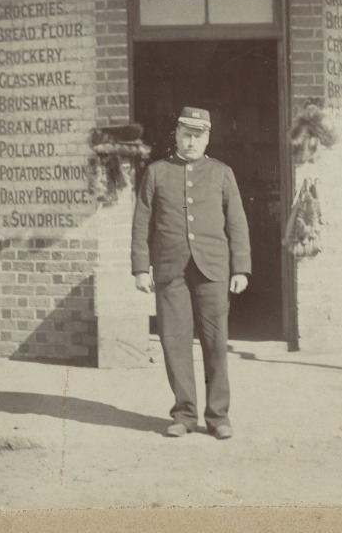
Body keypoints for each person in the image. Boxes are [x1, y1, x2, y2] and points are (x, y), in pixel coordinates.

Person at [131, 106, 251, 439]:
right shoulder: (156, 173)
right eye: (186, 135)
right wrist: (141, 268)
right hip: (170, 272)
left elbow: (237, 223)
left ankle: (218, 417)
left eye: (198, 136)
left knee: (216, 343)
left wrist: (240, 268)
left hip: (212, 270)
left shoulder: (222, 173)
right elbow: (141, 223)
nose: (191, 142)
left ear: (208, 138)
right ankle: (184, 415)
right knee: (175, 343)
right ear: (177, 135)